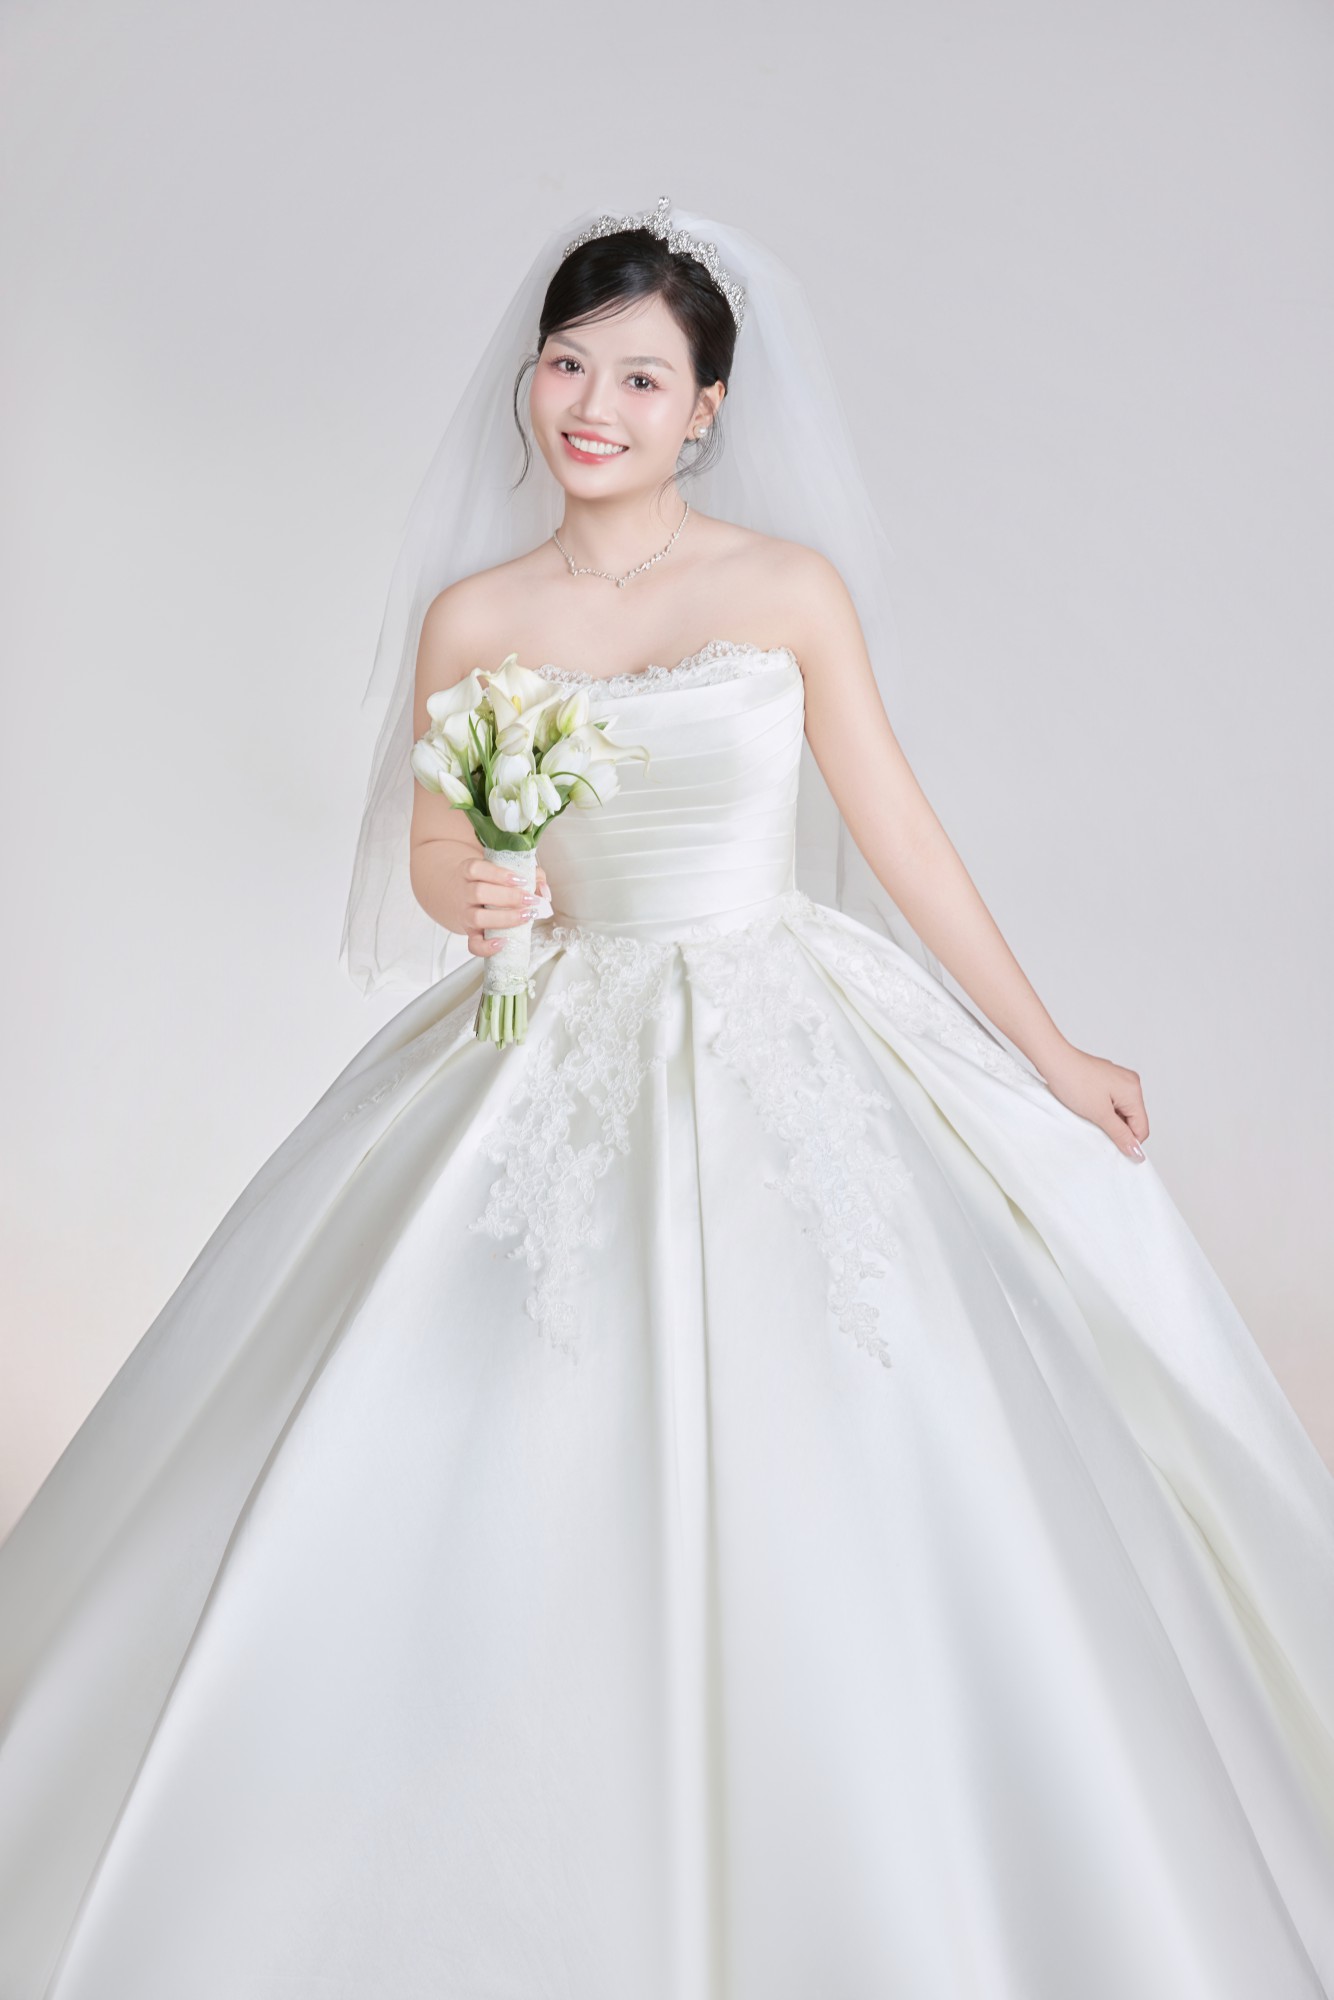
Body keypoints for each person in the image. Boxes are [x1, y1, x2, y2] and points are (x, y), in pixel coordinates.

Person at [2, 200, 1332, 2000]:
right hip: (547, 1031)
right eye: (568, 364)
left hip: (779, 1017)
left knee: (848, 1421)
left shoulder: (782, 589)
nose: (592, 405)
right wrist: (474, 892)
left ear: (704, 408)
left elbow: (895, 829)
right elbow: (435, 843)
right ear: (529, 380)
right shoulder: (479, 614)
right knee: (466, 1420)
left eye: (640, 377)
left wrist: (1046, 1047)